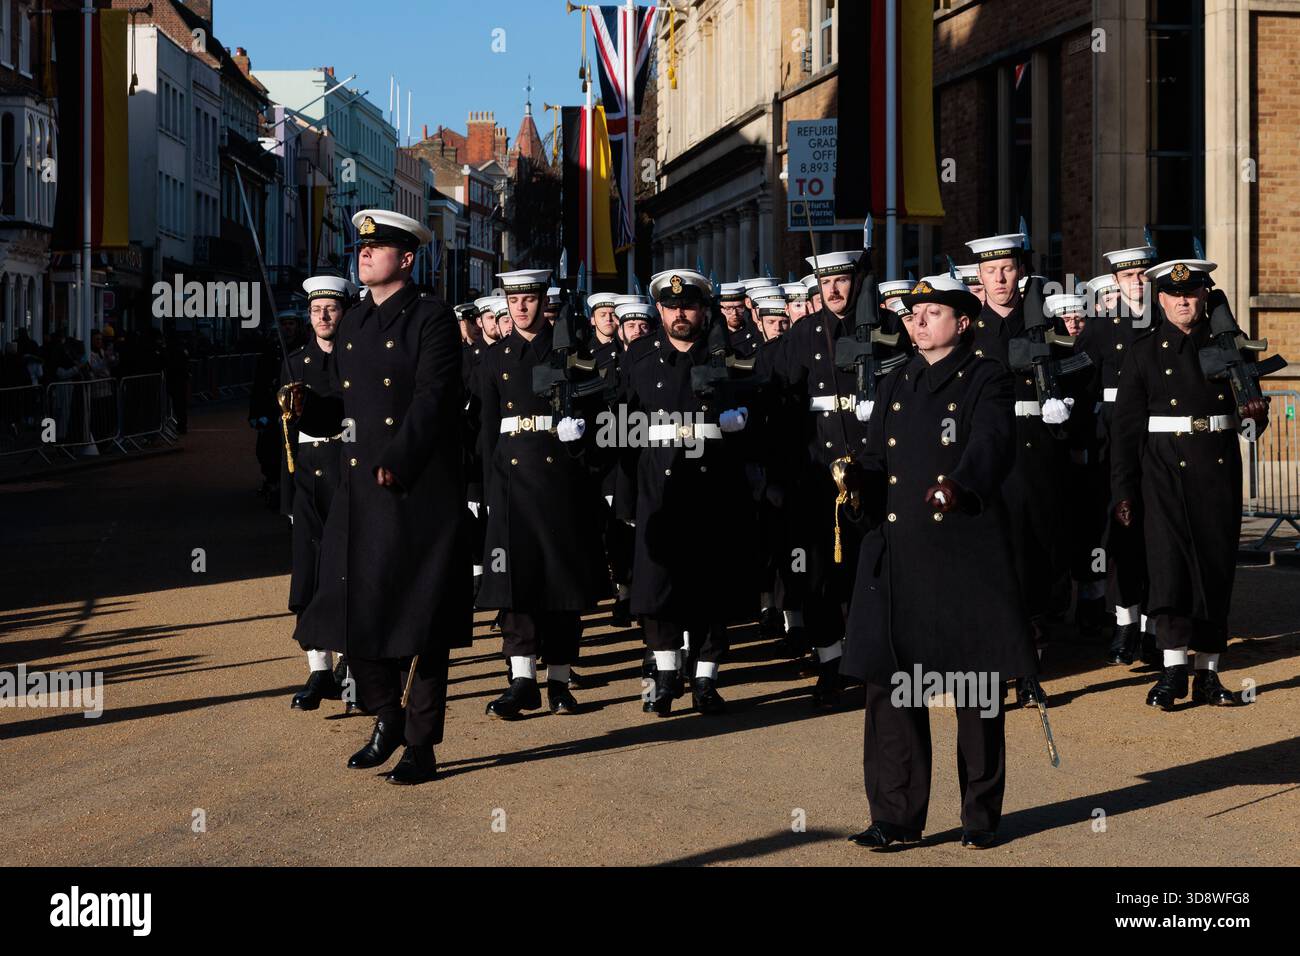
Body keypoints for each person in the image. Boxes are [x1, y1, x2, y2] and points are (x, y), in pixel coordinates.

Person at [842, 274, 1037, 851]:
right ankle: (896, 815)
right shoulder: (897, 377)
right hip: (899, 557)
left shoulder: (987, 377)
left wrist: (959, 484)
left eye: (929, 312)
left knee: (974, 689)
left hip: (961, 555)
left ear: (963, 320)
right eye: (911, 313)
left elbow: (992, 444)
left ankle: (980, 815)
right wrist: (857, 480)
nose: (916, 321)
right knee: (894, 688)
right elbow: (881, 457)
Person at [285, 209, 471, 785]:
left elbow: (436, 398)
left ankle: (421, 745)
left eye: (379, 247)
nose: (364, 254)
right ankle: (386, 717)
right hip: (359, 492)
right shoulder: (356, 322)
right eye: (361, 247)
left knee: (422, 625)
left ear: (406, 259)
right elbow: (345, 408)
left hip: (415, 494)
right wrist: (308, 407)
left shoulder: (431, 319)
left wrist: (399, 457)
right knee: (349, 611)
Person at [1111, 258, 1269, 710]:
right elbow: (1125, 429)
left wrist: (1255, 420)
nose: (1183, 300)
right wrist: (1122, 491)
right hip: (1161, 472)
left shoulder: (1232, 347)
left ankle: (1209, 674)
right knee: (1169, 570)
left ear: (1204, 296)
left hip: (1216, 470)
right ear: (1160, 300)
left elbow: (1252, 419)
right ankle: (1173, 668)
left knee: (1215, 570)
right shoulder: (1143, 353)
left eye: (1192, 293)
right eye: (1174, 294)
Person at [619, 269, 759, 716]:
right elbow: (620, 425)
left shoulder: (729, 357)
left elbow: (762, 412)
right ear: (659, 310)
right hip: (658, 485)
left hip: (713, 487)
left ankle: (705, 678)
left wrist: (742, 422)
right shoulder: (638, 358)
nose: (681, 314)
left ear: (704, 310)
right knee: (658, 585)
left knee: (709, 584)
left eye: (690, 306)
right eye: (672, 306)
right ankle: (663, 676)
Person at [476, 269, 610, 719]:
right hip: (513, 480)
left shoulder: (572, 352)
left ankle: (559, 681)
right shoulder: (496, 357)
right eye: (513, 299)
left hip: (561, 480)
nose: (520, 307)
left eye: (528, 299)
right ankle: (521, 679)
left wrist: (581, 439)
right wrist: (487, 488)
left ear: (541, 301)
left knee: (561, 587)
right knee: (517, 585)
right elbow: (487, 430)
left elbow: (600, 412)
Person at [965, 232, 1082, 701]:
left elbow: (1081, 373)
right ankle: (995, 664)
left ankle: (1030, 665)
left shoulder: (1045, 325)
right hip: (986, 459)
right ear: (979, 277)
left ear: (1020, 272)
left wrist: (1063, 407)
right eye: (990, 271)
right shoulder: (968, 330)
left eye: (1007, 268)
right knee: (994, 562)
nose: (999, 278)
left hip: (1034, 455)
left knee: (1034, 557)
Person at [1079, 245, 1161, 664]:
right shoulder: (1099, 326)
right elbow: (1082, 379)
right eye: (1130, 276)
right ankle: (1124, 622)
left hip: (1156, 439)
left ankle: (1150, 626)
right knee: (1118, 533)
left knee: (1155, 533)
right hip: (1112, 440)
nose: (1138, 282)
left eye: (1144, 274)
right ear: (1115, 282)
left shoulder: (1163, 319)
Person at [285, 275, 357, 711]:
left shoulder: (357, 362)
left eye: (331, 309)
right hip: (309, 481)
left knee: (349, 571)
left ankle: (353, 667)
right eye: (316, 310)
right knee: (310, 574)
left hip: (348, 473)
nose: (324, 316)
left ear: (344, 312)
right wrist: (287, 498)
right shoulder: (294, 364)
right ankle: (319, 670)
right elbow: (286, 438)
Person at [250, 313, 303, 506]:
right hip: (273, 408)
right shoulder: (271, 351)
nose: (288, 328)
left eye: (291, 324)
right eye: (284, 324)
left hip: (296, 407)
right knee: (267, 448)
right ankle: (272, 481)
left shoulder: (305, 348)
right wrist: (256, 413)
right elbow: (260, 383)